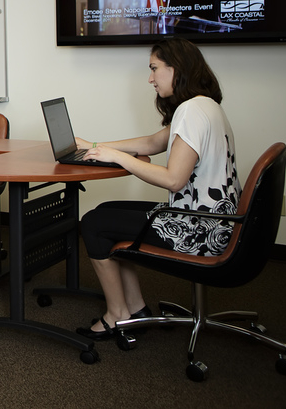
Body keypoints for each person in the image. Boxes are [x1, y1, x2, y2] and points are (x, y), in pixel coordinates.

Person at [74, 37, 240, 340]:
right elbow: (153, 143)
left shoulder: (192, 111)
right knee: (106, 211)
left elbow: (173, 179)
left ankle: (117, 315)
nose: (150, 78)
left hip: (198, 229)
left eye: (154, 69)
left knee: (94, 223)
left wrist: (118, 157)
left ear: (177, 69)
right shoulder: (204, 106)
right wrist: (95, 146)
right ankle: (136, 309)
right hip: (217, 222)